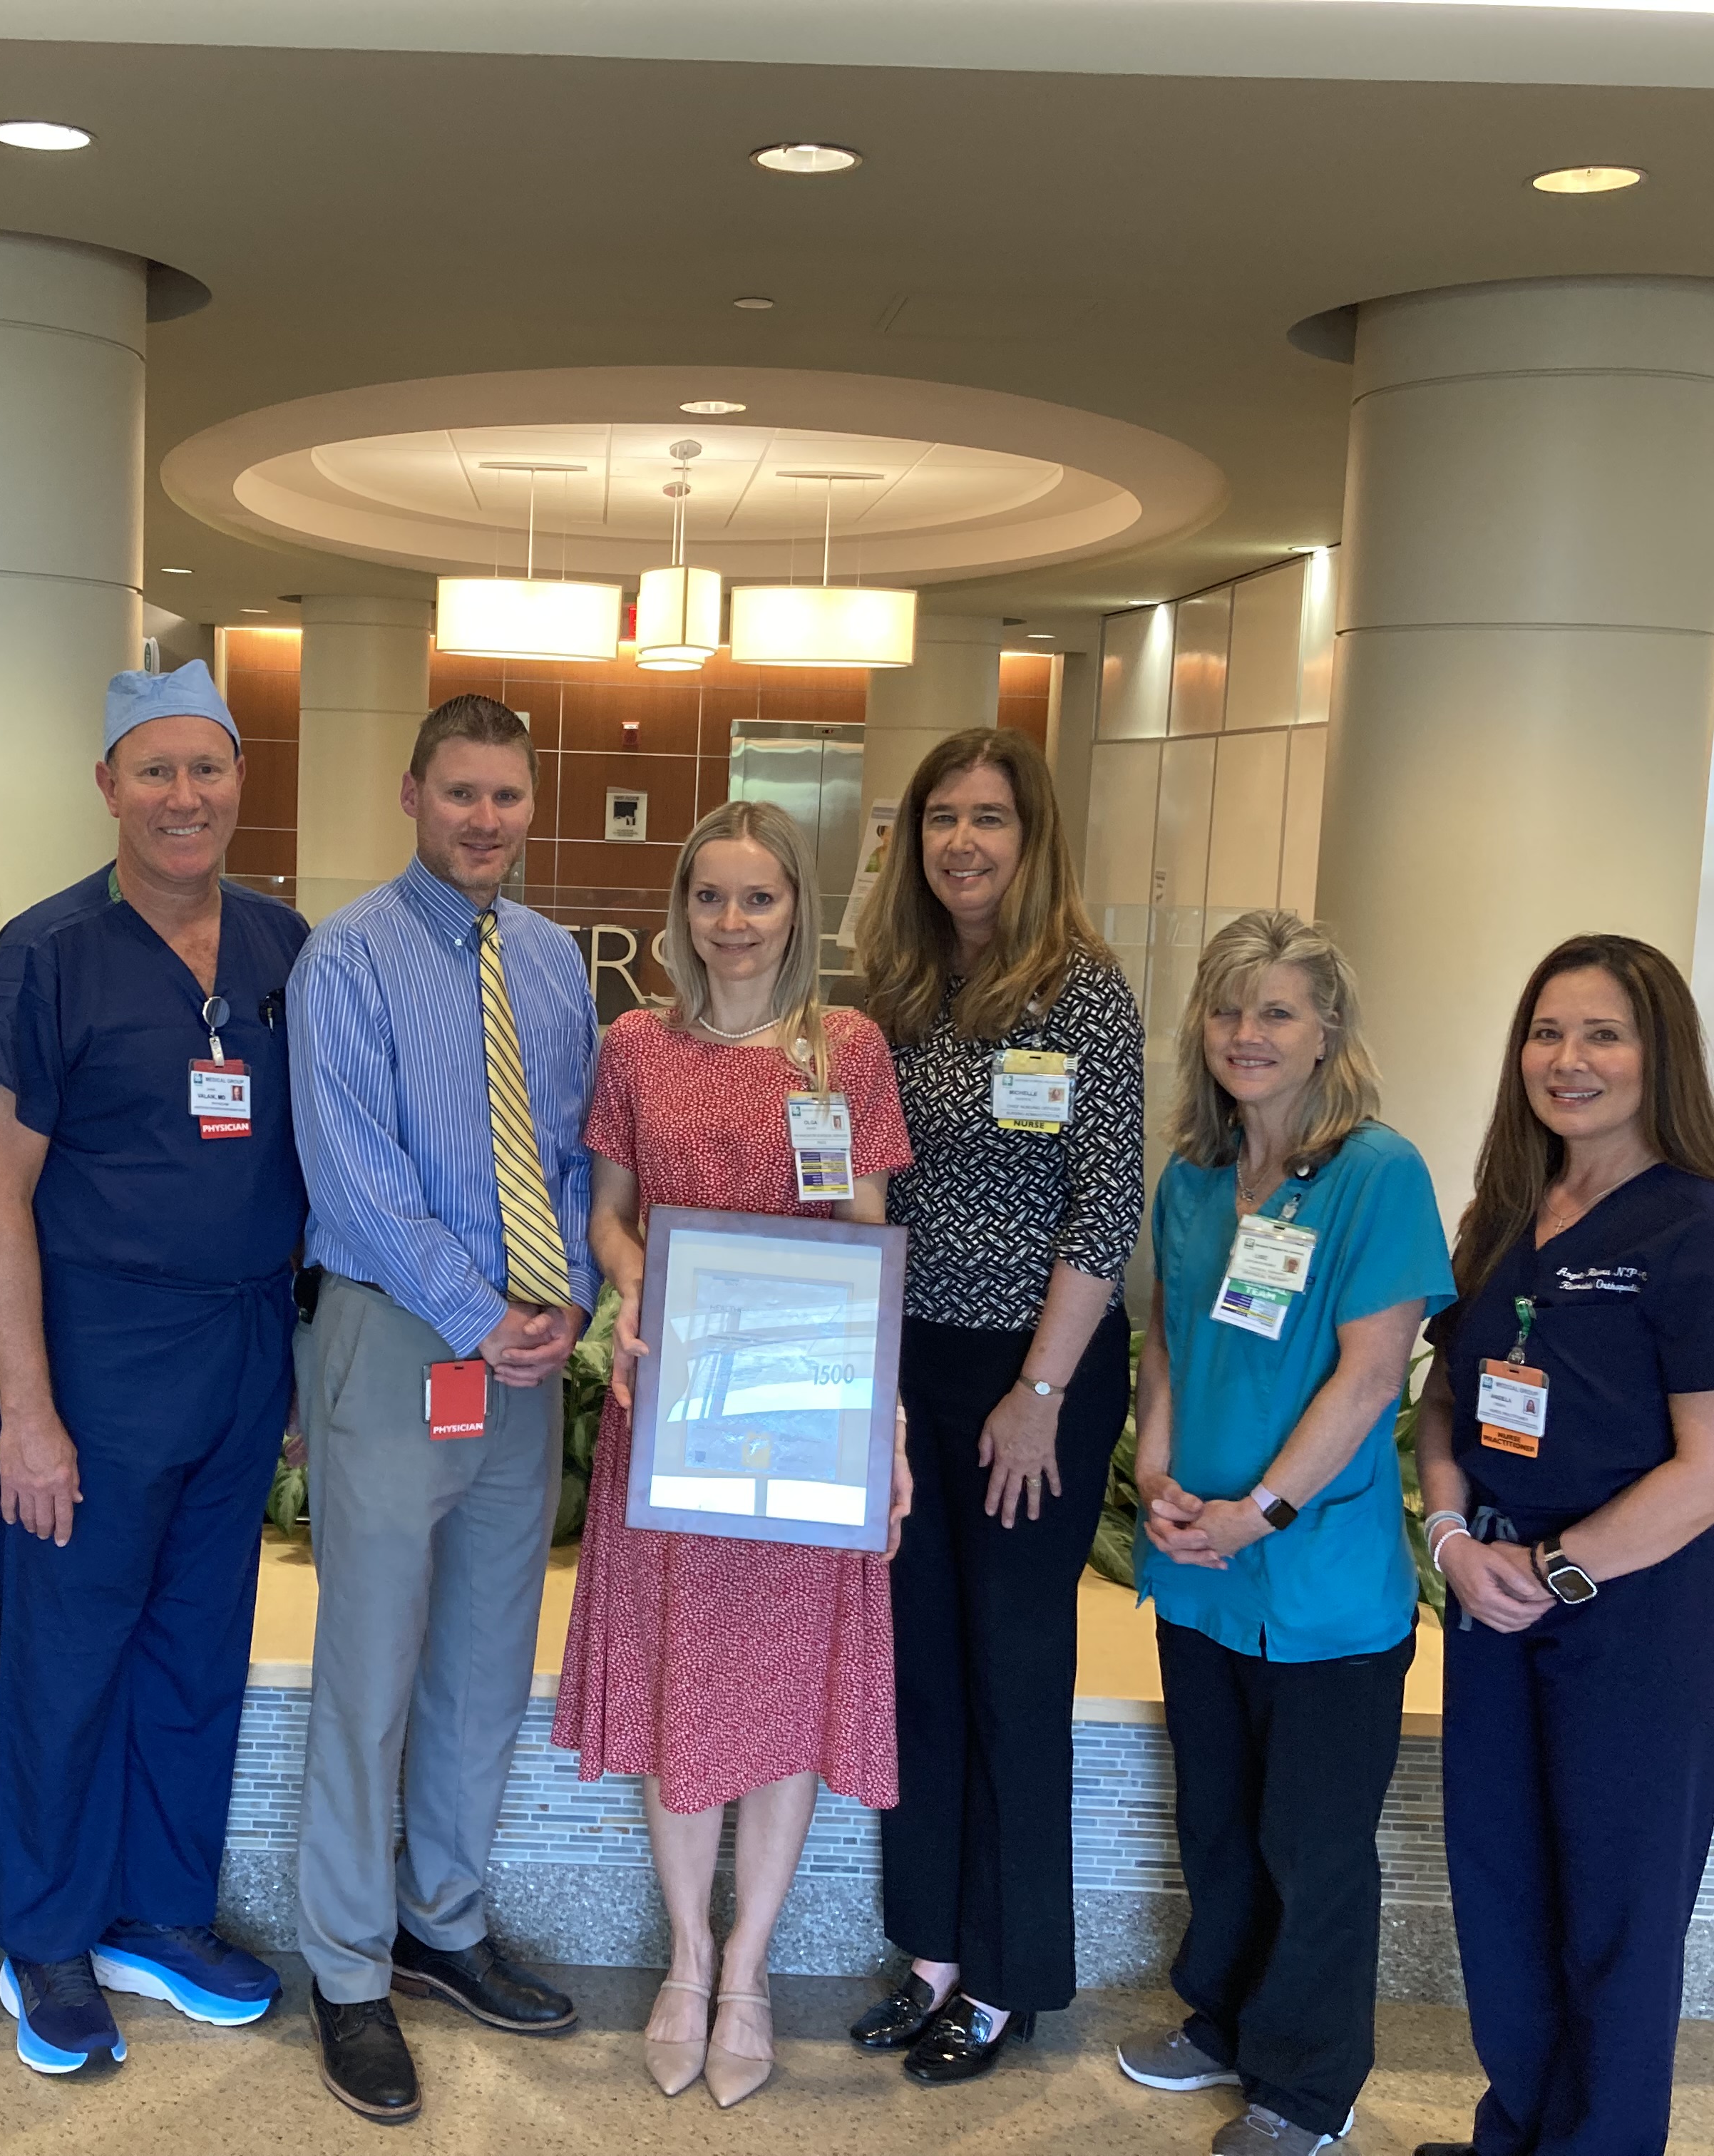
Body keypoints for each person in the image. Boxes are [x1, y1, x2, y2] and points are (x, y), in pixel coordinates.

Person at [0, 659, 307, 2078]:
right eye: (154, 771)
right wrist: (28, 1414)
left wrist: (288, 1375)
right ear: (107, 787)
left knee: (197, 1653)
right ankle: (46, 1936)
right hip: (98, 1357)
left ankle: (161, 1916)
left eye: (207, 769)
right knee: (70, 1653)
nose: (185, 798)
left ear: (240, 781)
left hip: (239, 1354)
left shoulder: (292, 948)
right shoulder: (46, 957)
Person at [553, 800, 915, 2110]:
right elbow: (605, 1216)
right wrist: (638, 1275)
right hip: (678, 1413)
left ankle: (750, 1968)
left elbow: (869, 1235)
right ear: (681, 907)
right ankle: (684, 1958)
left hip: (803, 1419)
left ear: (794, 910)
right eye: (711, 895)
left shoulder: (846, 1049)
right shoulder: (635, 1043)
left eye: (758, 896)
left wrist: (886, 1423)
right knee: (679, 1686)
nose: (732, 920)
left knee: (782, 1701)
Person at [1411, 935, 1714, 2156]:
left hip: (1634, 1615)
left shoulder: (1708, 1232)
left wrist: (1559, 1567)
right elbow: (1444, 1403)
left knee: (1615, 1916)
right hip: (1491, 1595)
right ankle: (1512, 2129)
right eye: (1546, 1032)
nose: (1566, 1060)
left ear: (1656, 1053)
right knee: (1505, 1895)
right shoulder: (1506, 1213)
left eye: (1602, 1034)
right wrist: (1457, 1535)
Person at [287, 694, 598, 2127]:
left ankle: (443, 1923)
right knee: (368, 1666)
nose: (485, 820)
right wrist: (486, 1316)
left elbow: (579, 1153)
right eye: (459, 794)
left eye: (507, 798)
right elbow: (351, 1174)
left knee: (485, 1650)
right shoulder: (344, 955)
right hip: (402, 1339)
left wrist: (571, 1303)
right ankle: (347, 1971)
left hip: (526, 1356)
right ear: (412, 794)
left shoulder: (553, 963)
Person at [1120, 911, 1453, 2156]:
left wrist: (1256, 1510)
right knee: (1215, 1816)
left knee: (1310, 1842)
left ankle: (1307, 2087)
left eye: (1275, 1011)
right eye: (1225, 1009)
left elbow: (1371, 1374)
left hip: (1314, 1578)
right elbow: (1168, 1343)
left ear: (1326, 1032)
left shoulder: (1378, 1172)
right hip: (1198, 1567)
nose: (1245, 1034)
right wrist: (1153, 1471)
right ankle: (1223, 2018)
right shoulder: (1194, 1179)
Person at [848, 727, 1144, 2083]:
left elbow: (1108, 1198)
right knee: (916, 1661)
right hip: (909, 1364)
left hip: (1038, 1371)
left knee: (1014, 1666)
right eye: (941, 817)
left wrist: (1038, 1390)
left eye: (990, 817)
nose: (963, 840)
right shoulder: (897, 989)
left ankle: (1010, 1970)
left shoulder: (1081, 993)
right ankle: (930, 1950)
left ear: (1033, 839)